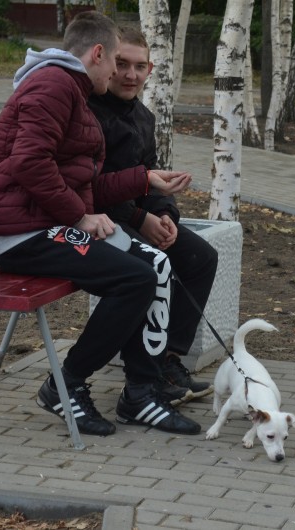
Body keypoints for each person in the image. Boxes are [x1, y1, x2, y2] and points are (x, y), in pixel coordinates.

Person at [0, 12, 201, 437]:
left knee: (156, 265)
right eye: (117, 60)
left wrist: (144, 179)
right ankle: (65, 384)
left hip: (49, 224)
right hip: (24, 235)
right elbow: (29, 163)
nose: (120, 72)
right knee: (134, 278)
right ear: (98, 53)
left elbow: (79, 179)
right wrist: (79, 217)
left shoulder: (70, 88)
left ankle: (140, 394)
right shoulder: (54, 85)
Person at [88, 26, 218, 406]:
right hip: (96, 222)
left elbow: (150, 177)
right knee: (149, 269)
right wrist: (139, 220)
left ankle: (168, 361)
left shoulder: (144, 117)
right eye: (122, 64)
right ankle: (145, 372)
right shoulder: (90, 114)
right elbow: (92, 188)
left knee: (200, 258)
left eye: (140, 66)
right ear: (106, 62)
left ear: (151, 69)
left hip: (132, 217)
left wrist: (165, 215)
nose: (130, 75)